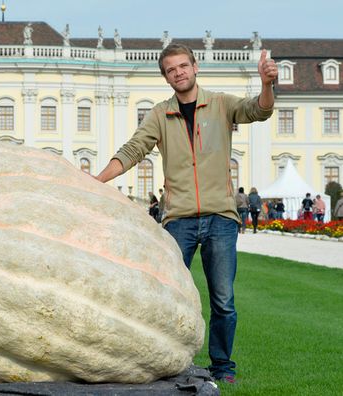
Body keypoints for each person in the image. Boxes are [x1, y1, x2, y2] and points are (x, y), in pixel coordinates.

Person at [95, 43, 277, 383]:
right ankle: (161, 360)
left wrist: (266, 85)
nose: (178, 72)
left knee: (223, 299)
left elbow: (259, 111)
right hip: (178, 221)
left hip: (221, 218)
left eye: (183, 66)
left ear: (195, 67)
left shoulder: (221, 104)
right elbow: (134, 149)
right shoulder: (160, 115)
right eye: (171, 69)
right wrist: (96, 180)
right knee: (165, 294)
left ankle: (222, 367)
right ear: (166, 77)